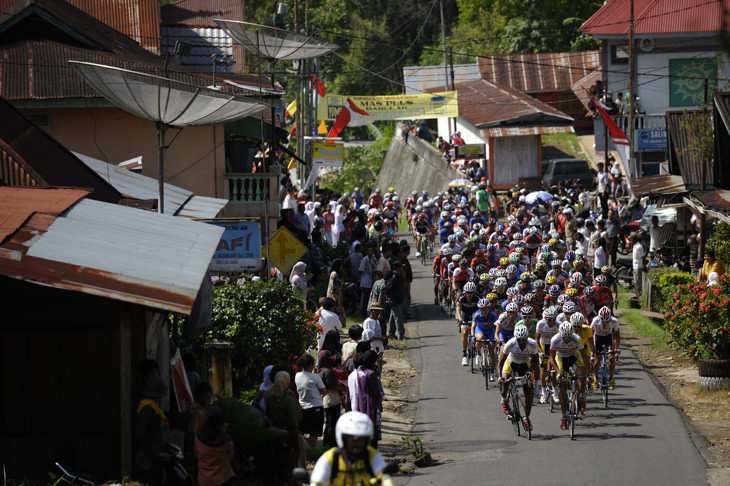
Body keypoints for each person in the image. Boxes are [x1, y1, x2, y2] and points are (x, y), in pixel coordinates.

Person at [309, 411, 394, 486]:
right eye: (353, 440)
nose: (357, 444)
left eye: (361, 440)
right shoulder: (330, 458)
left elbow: (385, 479)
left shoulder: (372, 456)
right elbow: (317, 482)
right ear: (343, 439)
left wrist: (386, 480)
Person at [497, 324, 539, 431]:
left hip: (525, 365)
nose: (521, 342)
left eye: (523, 340)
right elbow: (501, 362)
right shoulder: (510, 344)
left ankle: (527, 418)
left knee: (529, 392)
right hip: (511, 363)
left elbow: (535, 362)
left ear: (527, 337)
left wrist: (529, 372)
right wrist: (500, 377)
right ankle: (504, 399)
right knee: (505, 380)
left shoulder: (533, 344)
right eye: (519, 340)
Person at [550, 322, 589, 430]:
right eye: (564, 338)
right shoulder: (555, 339)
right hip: (561, 359)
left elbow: (584, 356)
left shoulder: (577, 338)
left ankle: (581, 398)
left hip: (574, 357)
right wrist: (558, 372)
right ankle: (563, 416)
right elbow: (551, 358)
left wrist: (587, 373)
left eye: (569, 337)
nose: (567, 340)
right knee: (562, 387)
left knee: (581, 376)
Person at [266, 371, 306, 471]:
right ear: (287, 382)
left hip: (274, 433)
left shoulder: (270, 397)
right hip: (288, 435)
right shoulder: (288, 399)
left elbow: (269, 415)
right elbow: (293, 423)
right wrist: (296, 442)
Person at [134, 377, 170, 486]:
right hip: (147, 461)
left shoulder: (153, 408)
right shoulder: (148, 409)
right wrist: (156, 454)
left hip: (152, 459)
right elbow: (140, 435)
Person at [195, 406, 235, 486]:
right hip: (222, 480)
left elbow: (196, 455)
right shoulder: (226, 440)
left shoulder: (198, 437)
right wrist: (222, 432)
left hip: (203, 480)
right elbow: (230, 457)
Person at [295, 354, 325, 448]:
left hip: (303, 406)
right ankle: (312, 452)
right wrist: (313, 374)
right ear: (311, 365)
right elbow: (323, 390)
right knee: (314, 433)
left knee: (302, 431)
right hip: (316, 406)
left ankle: (303, 452)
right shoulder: (315, 377)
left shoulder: (297, 375)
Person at [319, 350, 345, 449]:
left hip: (325, 399)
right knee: (332, 423)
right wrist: (345, 387)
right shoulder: (328, 372)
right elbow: (334, 387)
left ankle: (326, 443)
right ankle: (331, 444)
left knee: (329, 422)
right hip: (332, 399)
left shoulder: (320, 370)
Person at [591, 306, 621, 390]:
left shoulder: (614, 321)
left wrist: (617, 348)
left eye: (606, 321)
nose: (604, 324)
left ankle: (611, 379)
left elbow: (618, 335)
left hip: (608, 338)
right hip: (598, 338)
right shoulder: (595, 320)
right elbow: (591, 335)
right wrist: (592, 350)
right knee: (597, 360)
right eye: (603, 321)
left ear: (610, 318)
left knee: (611, 357)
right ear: (599, 318)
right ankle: (596, 378)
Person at [631, 232, 646, 299]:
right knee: (635, 282)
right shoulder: (635, 246)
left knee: (638, 282)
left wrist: (644, 266)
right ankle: (636, 295)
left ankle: (639, 296)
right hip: (635, 266)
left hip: (638, 266)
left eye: (631, 239)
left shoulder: (639, 246)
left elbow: (643, 257)